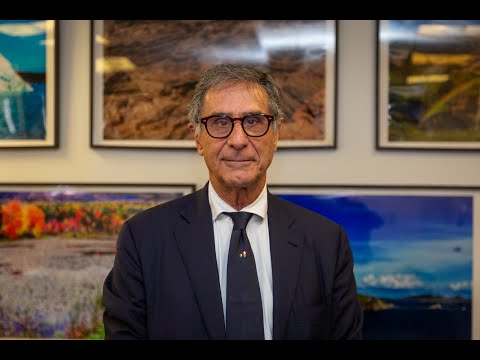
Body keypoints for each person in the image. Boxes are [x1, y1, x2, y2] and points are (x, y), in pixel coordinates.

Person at [102, 63, 363, 340]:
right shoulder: (144, 239)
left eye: (253, 121)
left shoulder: (325, 242)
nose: (238, 140)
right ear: (198, 138)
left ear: (276, 134)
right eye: (220, 123)